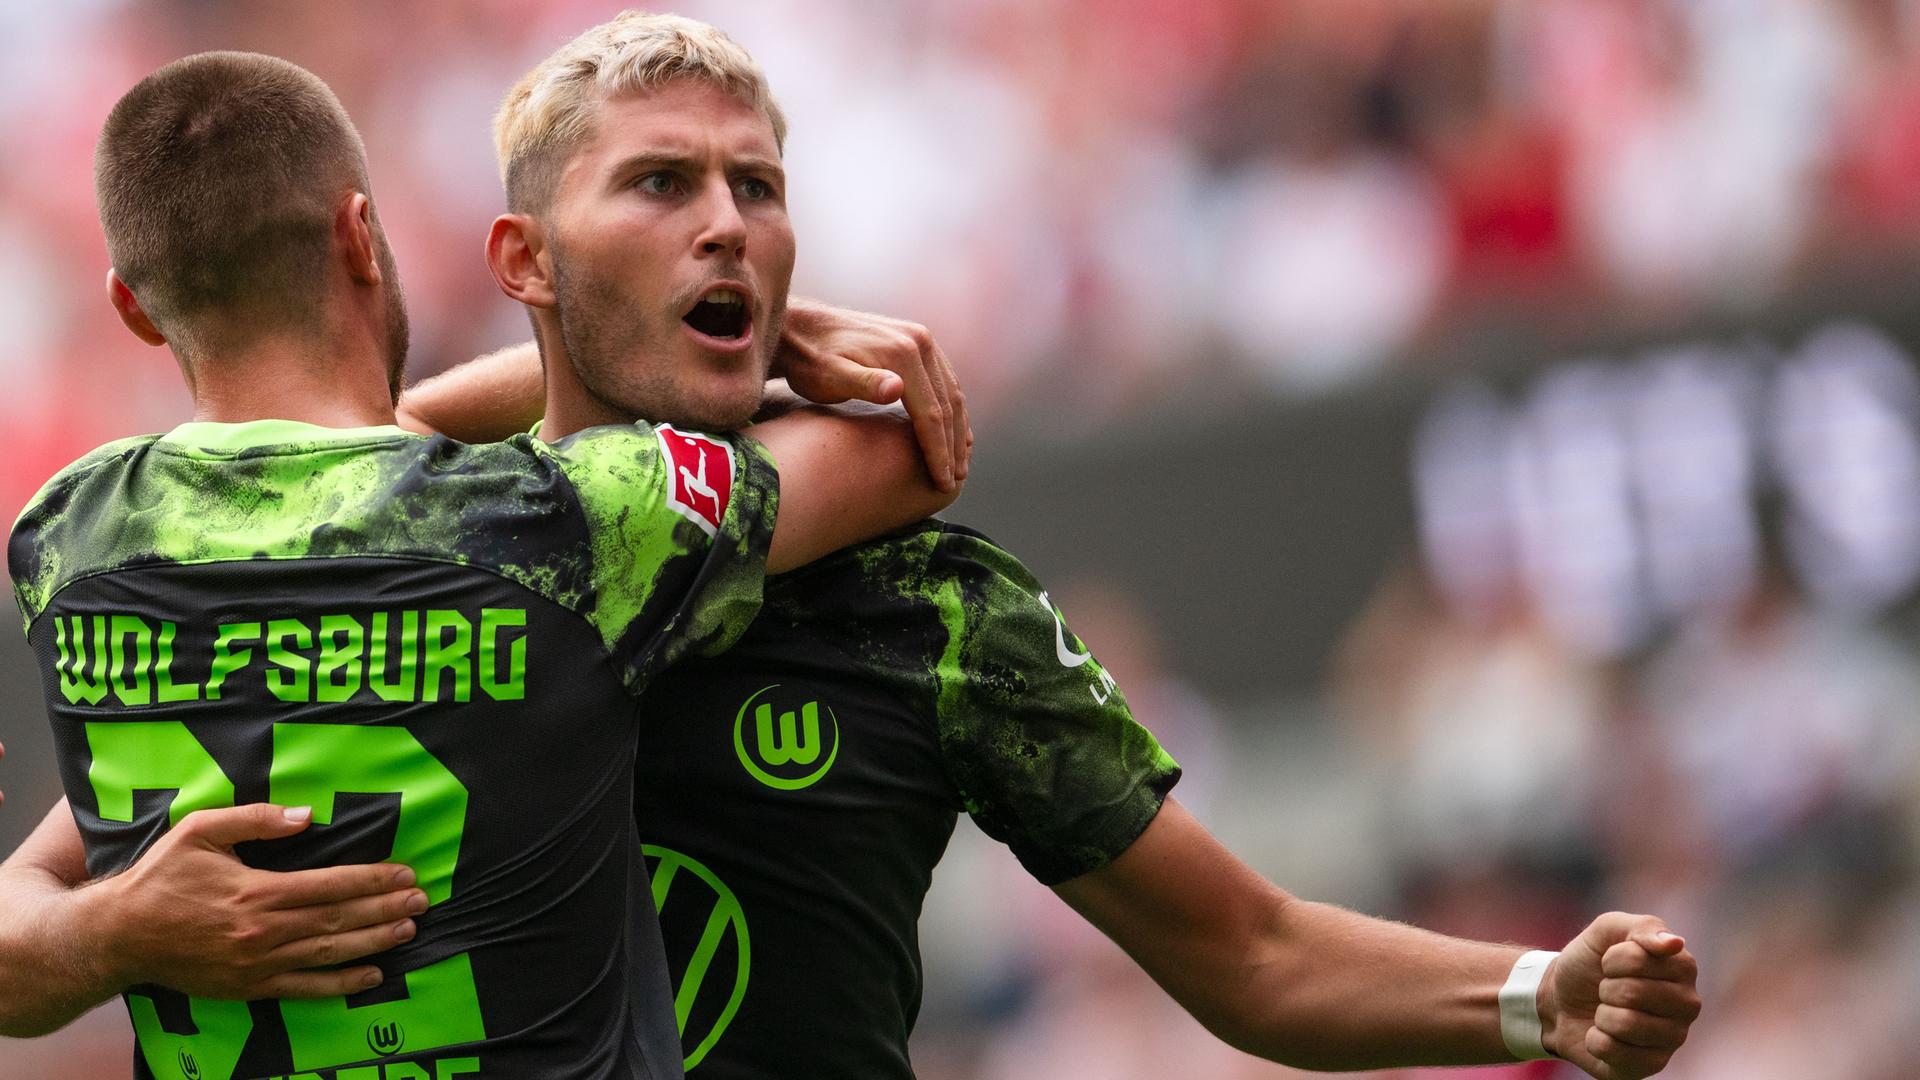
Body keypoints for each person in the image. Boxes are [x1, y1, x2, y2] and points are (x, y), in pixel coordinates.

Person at [10, 12, 1701, 1080]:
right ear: (523, 258)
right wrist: (103, 936)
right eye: (660, 186)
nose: (727, 224)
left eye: (757, 188)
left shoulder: (930, 612)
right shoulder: (448, 558)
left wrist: (1536, 997)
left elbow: (1250, 954)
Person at [0, 47, 956, 1080]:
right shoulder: (556, 524)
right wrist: (757, 338)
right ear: (359, 236)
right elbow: (907, 448)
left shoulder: (66, 538)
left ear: (133, 307)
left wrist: (110, 932)